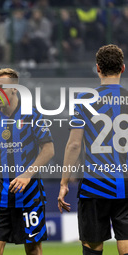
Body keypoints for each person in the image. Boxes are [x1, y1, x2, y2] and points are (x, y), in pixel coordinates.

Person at [58, 44, 128, 255]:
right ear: (123, 68)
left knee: (93, 247)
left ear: (97, 68)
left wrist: (63, 182)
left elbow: (74, 144)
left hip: (95, 185)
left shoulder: (84, 101)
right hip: (125, 183)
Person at [0, 68, 54, 255]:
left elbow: (49, 149)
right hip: (0, 195)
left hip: (29, 194)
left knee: (32, 249)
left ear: (14, 89)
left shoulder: (33, 115)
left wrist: (26, 175)